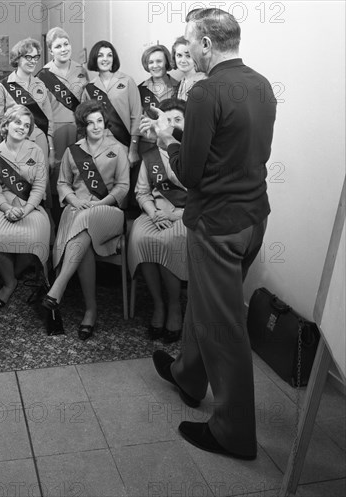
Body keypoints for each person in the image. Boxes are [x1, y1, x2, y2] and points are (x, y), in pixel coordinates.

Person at [148, 8, 277, 460]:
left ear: (205, 44)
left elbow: (191, 174)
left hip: (217, 225)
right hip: (253, 218)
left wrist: (168, 140)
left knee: (224, 326)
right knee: (208, 304)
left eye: (189, 42)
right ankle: (187, 374)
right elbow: (236, 148)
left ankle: (233, 432)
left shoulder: (204, 93)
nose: (187, 51)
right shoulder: (261, 85)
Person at [42, 100, 129, 340]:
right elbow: (62, 184)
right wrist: (73, 199)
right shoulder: (73, 150)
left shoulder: (117, 148)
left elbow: (123, 187)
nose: (96, 126)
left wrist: (100, 204)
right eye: (90, 123)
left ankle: (58, 286)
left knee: (87, 220)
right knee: (84, 240)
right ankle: (91, 310)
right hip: (77, 210)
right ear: (83, 125)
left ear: (105, 122)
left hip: (108, 211)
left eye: (100, 121)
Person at [128, 98, 187, 343]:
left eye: (178, 120)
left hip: (186, 214)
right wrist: (153, 213)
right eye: (167, 120)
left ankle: (174, 306)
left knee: (170, 241)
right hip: (154, 212)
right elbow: (142, 192)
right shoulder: (150, 155)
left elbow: (203, 194)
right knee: (141, 239)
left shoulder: (194, 153)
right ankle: (158, 304)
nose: (171, 125)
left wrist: (174, 215)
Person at [0, 105, 50, 310]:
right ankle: (10, 282)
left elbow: (39, 186)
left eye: (26, 125)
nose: (22, 128)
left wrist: (26, 209)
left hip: (31, 206)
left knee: (35, 236)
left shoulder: (35, 151)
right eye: (17, 122)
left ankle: (13, 276)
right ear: (6, 124)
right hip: (2, 208)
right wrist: (7, 209)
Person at [37, 27, 88, 224]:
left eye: (66, 44)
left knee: (80, 173)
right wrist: (49, 143)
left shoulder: (81, 71)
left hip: (80, 130)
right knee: (59, 175)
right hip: (56, 131)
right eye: (58, 46)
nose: (64, 49)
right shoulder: (43, 75)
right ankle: (59, 223)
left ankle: (79, 218)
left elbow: (87, 102)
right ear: (51, 50)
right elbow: (43, 111)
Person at [0, 38, 54, 174]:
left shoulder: (41, 85)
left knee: (41, 183)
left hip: (40, 141)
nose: (33, 61)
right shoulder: (1, 87)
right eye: (28, 56)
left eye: (36, 57)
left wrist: (51, 149)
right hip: (15, 142)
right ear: (17, 58)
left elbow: (49, 120)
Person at [81, 41, 141, 165]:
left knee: (123, 183)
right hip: (97, 146)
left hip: (123, 144)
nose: (105, 59)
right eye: (100, 55)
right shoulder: (89, 88)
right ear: (94, 59)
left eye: (109, 55)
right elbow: (83, 122)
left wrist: (133, 149)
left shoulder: (127, 81)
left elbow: (136, 116)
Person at [171, 37, 207, 101]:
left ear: (197, 56)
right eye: (179, 55)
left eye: (188, 56)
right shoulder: (182, 81)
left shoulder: (203, 81)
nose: (183, 61)